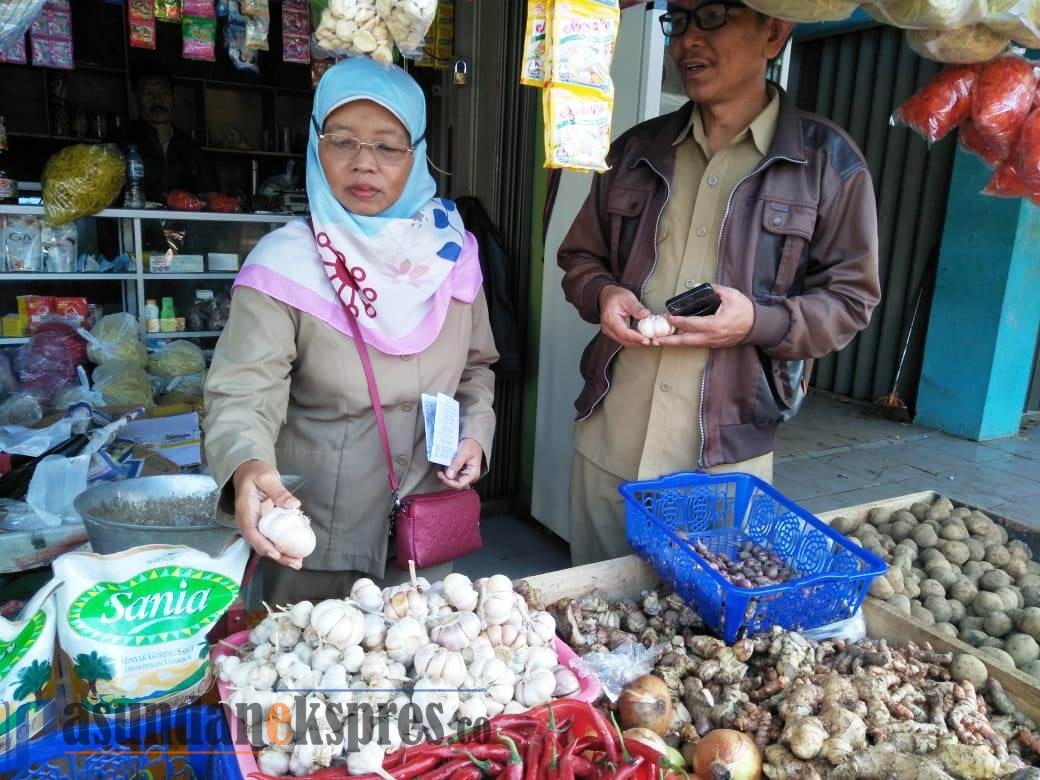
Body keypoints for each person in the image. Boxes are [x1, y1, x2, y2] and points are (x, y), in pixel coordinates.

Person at [558, 0, 881, 565]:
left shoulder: (827, 162)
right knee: (590, 620)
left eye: (711, 17)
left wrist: (756, 322)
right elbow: (580, 258)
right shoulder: (636, 150)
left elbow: (850, 301)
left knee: (700, 636)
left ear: (774, 32)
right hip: (612, 434)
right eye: (677, 21)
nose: (688, 40)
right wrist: (605, 293)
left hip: (724, 457)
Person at [204, 57, 498, 602]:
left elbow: (477, 366)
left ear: (418, 153)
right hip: (314, 536)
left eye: (388, 146)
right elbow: (244, 389)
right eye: (342, 141)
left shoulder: (452, 253)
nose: (364, 164)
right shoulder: (284, 264)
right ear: (317, 145)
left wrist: (476, 432)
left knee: (424, 668)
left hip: (426, 528)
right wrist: (246, 466)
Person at [119, 68, 215, 201]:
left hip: (181, 221)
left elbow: (210, 193)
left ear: (174, 97)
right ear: (136, 97)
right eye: (148, 93)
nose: (157, 100)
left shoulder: (190, 147)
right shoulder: (120, 139)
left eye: (164, 92)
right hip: (134, 220)